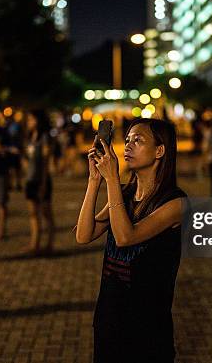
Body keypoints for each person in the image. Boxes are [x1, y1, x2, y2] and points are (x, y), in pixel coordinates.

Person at [75, 118, 187, 363]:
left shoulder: (175, 203)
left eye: (138, 140)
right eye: (126, 140)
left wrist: (113, 179)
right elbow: (83, 235)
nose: (128, 146)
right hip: (110, 317)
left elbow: (126, 237)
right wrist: (95, 181)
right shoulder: (124, 194)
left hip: (147, 325)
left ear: (160, 151)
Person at [23, 110, 55, 255]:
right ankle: (34, 244)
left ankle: (49, 244)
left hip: (41, 180)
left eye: (31, 119)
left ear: (38, 121)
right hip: (30, 179)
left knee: (46, 213)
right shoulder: (30, 138)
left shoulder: (44, 138)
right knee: (32, 213)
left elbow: (45, 162)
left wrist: (43, 183)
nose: (29, 122)